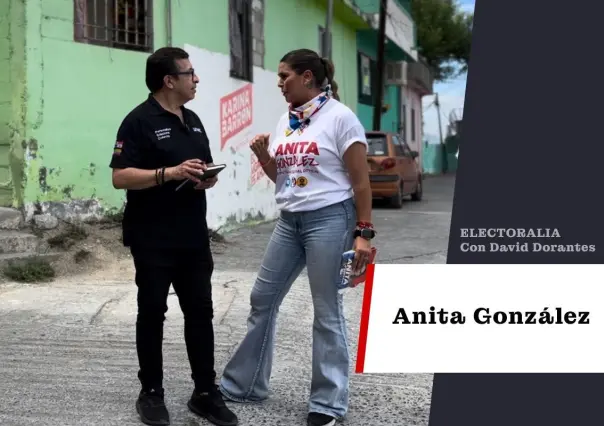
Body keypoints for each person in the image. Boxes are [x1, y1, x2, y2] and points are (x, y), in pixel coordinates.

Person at [219, 48, 376, 426]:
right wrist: (263, 157)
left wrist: (363, 234)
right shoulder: (287, 121)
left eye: (284, 76)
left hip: (330, 219)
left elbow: (360, 181)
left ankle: (327, 404)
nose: (279, 84)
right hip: (289, 222)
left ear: (307, 77)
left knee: (326, 311)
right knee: (263, 299)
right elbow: (284, 179)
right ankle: (246, 385)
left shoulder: (341, 119)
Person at [109, 47, 238, 426]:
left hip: (193, 237)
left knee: (200, 313)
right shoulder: (138, 121)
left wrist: (205, 178)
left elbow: (198, 170)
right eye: (190, 73)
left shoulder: (193, 120)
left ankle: (205, 392)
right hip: (152, 237)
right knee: (152, 313)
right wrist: (168, 173)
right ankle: (151, 392)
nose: (196, 79)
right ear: (169, 80)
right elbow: (120, 176)